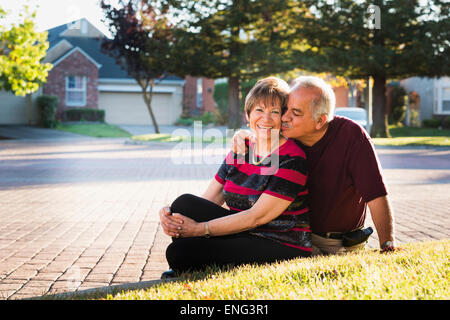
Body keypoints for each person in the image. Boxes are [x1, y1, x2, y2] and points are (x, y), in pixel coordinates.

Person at [159, 77, 311, 277]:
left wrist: (199, 230)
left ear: (282, 118)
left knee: (179, 252)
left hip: (280, 243)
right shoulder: (241, 149)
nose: (266, 118)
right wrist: (171, 216)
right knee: (184, 204)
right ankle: (198, 259)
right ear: (248, 115)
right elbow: (210, 199)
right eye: (259, 110)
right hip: (244, 231)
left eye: (274, 112)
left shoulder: (292, 158)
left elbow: (257, 217)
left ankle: (195, 261)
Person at [232, 76, 396, 255]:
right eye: (285, 109)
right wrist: (245, 135)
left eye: (295, 113)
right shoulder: (286, 135)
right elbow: (261, 130)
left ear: (320, 121)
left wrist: (387, 244)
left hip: (335, 242)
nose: (284, 118)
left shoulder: (351, 136)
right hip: (288, 236)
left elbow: (376, 195)